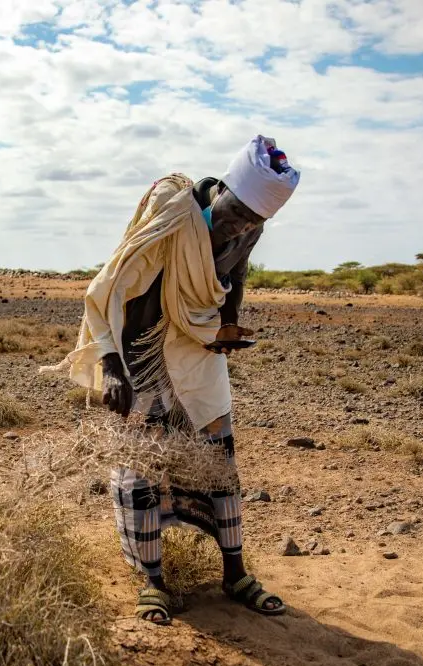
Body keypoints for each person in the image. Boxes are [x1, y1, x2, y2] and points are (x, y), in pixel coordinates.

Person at [45, 135, 300, 625]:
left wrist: (228, 326)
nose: (237, 226)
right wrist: (112, 366)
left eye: (252, 221)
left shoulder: (248, 229)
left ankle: (235, 574)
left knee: (219, 464)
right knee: (142, 470)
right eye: (234, 212)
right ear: (221, 187)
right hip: (140, 356)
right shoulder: (173, 210)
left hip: (200, 353)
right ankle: (152, 581)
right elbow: (107, 289)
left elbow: (236, 275)